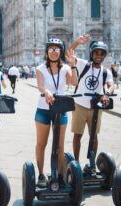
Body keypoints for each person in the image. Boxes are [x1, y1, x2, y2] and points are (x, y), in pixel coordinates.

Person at [35, 38, 77, 188]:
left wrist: (73, 66)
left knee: (60, 146)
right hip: (44, 110)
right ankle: (40, 174)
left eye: (57, 49)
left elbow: (74, 83)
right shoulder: (40, 68)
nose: (54, 52)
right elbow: (40, 85)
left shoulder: (65, 68)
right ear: (47, 52)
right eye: (51, 49)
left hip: (60, 109)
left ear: (61, 51)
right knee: (42, 143)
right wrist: (46, 92)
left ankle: (60, 175)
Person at [66, 35, 114, 164]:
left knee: (94, 136)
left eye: (101, 53)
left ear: (104, 56)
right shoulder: (83, 64)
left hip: (96, 106)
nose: (99, 56)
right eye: (96, 53)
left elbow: (111, 85)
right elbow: (69, 55)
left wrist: (107, 94)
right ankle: (76, 164)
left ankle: (92, 162)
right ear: (92, 54)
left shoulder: (106, 72)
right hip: (80, 105)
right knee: (77, 135)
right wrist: (77, 42)